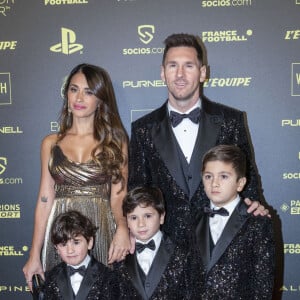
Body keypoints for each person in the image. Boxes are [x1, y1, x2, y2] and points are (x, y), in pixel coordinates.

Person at [129, 33, 267, 245]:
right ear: (162, 73)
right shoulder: (142, 128)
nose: (180, 74)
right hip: (166, 248)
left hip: (220, 245)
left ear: (203, 72)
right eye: (173, 66)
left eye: (189, 66)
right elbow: (137, 188)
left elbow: (247, 176)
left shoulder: (230, 120)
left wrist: (254, 204)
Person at [23, 63, 131, 289]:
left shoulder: (115, 142)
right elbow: (44, 201)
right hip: (60, 232)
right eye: (74, 89)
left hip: (101, 229)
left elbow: (119, 196)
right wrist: (34, 254)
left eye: (89, 91)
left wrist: (122, 228)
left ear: (100, 99)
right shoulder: (50, 144)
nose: (79, 97)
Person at [195, 144, 275, 299]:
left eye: (224, 176)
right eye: (208, 176)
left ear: (240, 183)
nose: (214, 183)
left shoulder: (258, 223)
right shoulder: (193, 220)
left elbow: (263, 285)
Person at [114, 186, 203, 299]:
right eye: (134, 218)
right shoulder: (121, 257)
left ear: (161, 217)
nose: (141, 224)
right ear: (126, 220)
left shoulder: (182, 254)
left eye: (148, 216)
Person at [41, 210, 119, 299]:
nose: (70, 250)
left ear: (89, 242)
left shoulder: (108, 277)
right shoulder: (51, 277)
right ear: (56, 248)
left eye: (76, 242)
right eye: (63, 244)